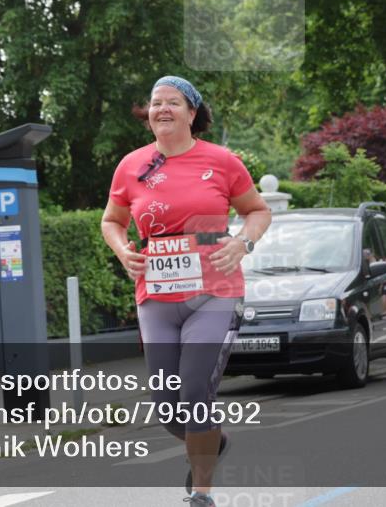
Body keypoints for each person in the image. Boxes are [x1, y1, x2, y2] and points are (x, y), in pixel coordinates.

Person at [101, 76, 271, 507]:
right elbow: (112, 221)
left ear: (192, 113)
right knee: (167, 406)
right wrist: (123, 251)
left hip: (214, 291)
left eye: (173, 103)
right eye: (156, 103)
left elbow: (257, 210)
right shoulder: (131, 166)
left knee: (196, 390)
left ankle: (201, 492)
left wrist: (242, 243)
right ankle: (213, 439)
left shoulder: (222, 161)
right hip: (156, 294)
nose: (162, 109)